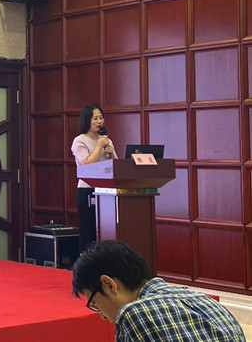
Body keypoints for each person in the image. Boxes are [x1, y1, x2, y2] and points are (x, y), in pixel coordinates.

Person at [72, 240, 245, 341]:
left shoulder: (135, 313)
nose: (102, 316)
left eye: (95, 303)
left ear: (109, 284)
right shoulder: (206, 301)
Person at [71, 103, 117, 251]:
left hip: (106, 191)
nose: (99, 121)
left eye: (101, 118)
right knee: (88, 230)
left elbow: (117, 165)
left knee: (106, 230)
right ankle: (85, 260)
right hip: (87, 190)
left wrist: (110, 152)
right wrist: (98, 146)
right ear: (87, 120)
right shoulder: (79, 141)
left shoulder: (106, 140)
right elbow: (85, 165)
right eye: (95, 118)